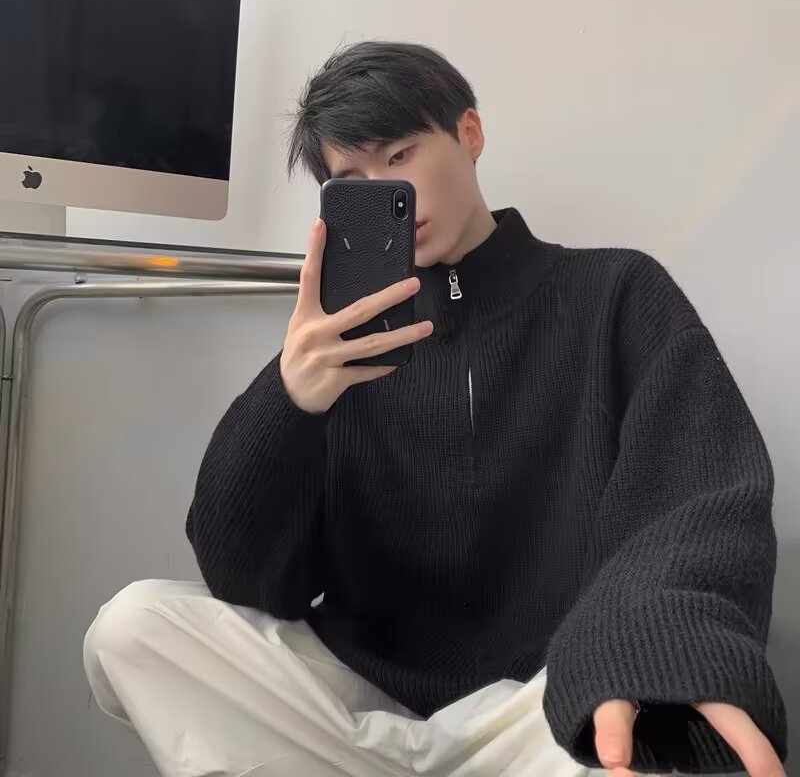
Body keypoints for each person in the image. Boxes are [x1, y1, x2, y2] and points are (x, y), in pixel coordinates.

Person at [83, 41, 787, 777]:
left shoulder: (616, 293)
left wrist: (655, 640)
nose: (392, 192)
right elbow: (245, 581)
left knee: (626, 717)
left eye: (400, 155)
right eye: (354, 180)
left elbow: (698, 496)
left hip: (538, 706)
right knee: (133, 627)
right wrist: (286, 400)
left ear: (469, 133)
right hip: (359, 702)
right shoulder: (338, 342)